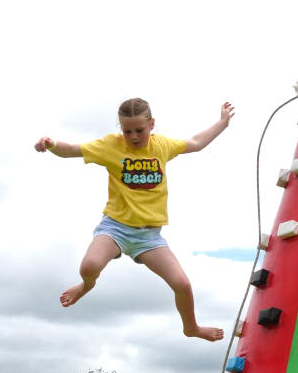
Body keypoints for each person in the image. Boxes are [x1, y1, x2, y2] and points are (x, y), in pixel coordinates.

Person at [34, 97, 234, 342]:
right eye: (127, 131)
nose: (134, 136)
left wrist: (222, 123)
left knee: (182, 284)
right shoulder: (111, 146)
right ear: (121, 129)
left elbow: (195, 143)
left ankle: (191, 327)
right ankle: (86, 285)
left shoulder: (161, 146)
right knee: (88, 267)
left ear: (151, 124)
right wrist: (51, 144)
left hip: (148, 237)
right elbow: (72, 150)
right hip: (115, 227)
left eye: (139, 130)